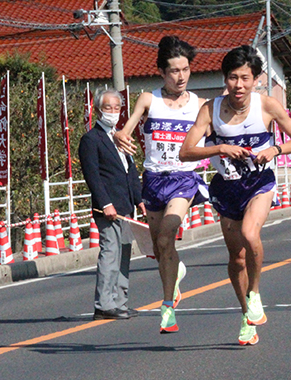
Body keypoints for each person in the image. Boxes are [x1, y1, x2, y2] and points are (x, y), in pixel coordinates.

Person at [179, 45, 291, 346]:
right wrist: (220, 148)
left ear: (256, 79)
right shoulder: (210, 110)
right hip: (226, 188)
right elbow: (186, 151)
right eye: (233, 78)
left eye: (245, 78)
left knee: (251, 235)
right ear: (225, 78)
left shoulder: (268, 106)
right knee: (236, 259)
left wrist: (274, 149)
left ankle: (256, 292)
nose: (239, 85)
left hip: (259, 183)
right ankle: (246, 314)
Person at [113, 36, 208, 333]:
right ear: (162, 73)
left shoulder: (201, 105)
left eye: (185, 69)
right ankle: (175, 275)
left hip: (184, 178)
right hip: (153, 179)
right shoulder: (148, 99)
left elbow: (219, 135)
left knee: (167, 235)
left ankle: (167, 307)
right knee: (159, 246)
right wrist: (120, 136)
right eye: (174, 71)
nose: (181, 77)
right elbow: (124, 130)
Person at [79, 88, 146, 320]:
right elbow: (93, 176)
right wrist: (105, 203)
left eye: (117, 108)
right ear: (98, 110)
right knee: (110, 252)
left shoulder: (121, 136)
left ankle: (120, 302)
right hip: (107, 207)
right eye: (108, 108)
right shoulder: (90, 139)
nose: (113, 112)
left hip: (126, 205)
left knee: (124, 253)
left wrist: (139, 200)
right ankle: (104, 304)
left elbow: (131, 172)